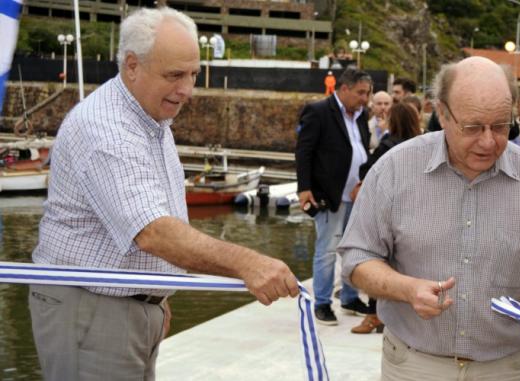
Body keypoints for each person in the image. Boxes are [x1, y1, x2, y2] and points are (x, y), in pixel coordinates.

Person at [29, 8, 299, 380]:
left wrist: (156, 296)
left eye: (192, 74)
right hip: (92, 310)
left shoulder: (150, 118)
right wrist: (247, 263)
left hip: (122, 306)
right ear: (132, 66)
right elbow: (152, 231)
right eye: (174, 75)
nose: (187, 90)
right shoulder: (107, 131)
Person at [339, 57, 520, 380]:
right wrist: (407, 289)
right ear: (441, 113)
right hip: (414, 365)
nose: (488, 141)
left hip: (503, 368)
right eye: (472, 127)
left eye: (500, 126)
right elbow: (357, 259)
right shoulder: (394, 170)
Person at [296, 69, 373, 325]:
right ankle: (322, 303)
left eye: (368, 93)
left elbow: (362, 149)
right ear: (344, 89)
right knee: (327, 250)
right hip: (329, 194)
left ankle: (350, 298)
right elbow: (304, 151)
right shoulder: (318, 111)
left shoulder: (362, 115)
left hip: (357, 195)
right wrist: (304, 187)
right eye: (361, 92)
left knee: (353, 249)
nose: (365, 98)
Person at [349, 102, 423, 335]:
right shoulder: (422, 147)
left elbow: (368, 171)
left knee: (378, 260)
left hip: (388, 209)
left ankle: (374, 315)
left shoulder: (387, 145)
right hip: (414, 209)